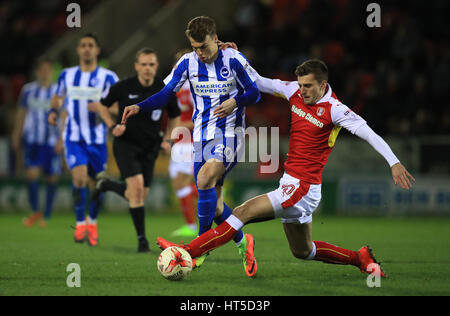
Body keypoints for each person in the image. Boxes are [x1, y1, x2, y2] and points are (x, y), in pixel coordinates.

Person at [157, 59, 416, 278]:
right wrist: (232, 56)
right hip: (293, 184)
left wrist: (393, 162)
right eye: (301, 85)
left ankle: (187, 252)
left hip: (302, 188)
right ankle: (360, 259)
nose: (302, 90)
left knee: (241, 212)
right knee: (303, 251)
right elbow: (257, 81)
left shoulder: (336, 110)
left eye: (308, 86)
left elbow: (369, 134)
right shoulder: (292, 90)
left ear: (323, 85)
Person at [121, 16, 261, 277]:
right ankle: (244, 242)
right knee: (217, 206)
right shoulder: (187, 62)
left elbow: (255, 93)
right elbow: (165, 94)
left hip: (230, 133)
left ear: (215, 39)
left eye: (204, 47)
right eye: (195, 47)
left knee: (204, 177)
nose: (200, 53)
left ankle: (197, 248)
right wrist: (139, 106)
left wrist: (236, 102)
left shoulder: (234, 60)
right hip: (201, 137)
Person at [89, 47, 181, 252]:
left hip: (151, 147)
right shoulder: (123, 87)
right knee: (137, 189)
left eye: (151, 64)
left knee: (137, 195)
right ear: (136, 66)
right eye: (144, 64)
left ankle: (106, 184)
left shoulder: (164, 89)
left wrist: (169, 139)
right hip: (126, 145)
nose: (148, 68)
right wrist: (112, 126)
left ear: (156, 66)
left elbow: (175, 115)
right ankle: (142, 241)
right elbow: (102, 106)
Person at [48, 33, 119, 246]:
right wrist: (53, 110)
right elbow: (58, 96)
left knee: (97, 184)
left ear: (97, 50)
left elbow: (117, 106)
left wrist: (103, 108)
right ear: (78, 50)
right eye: (83, 45)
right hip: (74, 137)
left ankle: (92, 222)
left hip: (97, 140)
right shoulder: (66, 75)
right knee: (78, 179)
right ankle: (80, 223)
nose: (87, 49)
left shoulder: (109, 77)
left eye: (91, 45)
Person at [12, 58, 62, 227]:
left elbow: (64, 115)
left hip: (51, 141)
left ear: (51, 72)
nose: (45, 72)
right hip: (33, 140)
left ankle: (46, 215)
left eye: (48, 69)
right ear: (37, 72)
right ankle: (35, 212)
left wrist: (62, 139)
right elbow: (21, 113)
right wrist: (16, 134)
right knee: (32, 174)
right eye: (42, 69)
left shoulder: (58, 91)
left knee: (52, 177)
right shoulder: (28, 90)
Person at [168, 49, 198, 238]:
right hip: (179, 141)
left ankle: (191, 225)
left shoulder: (196, 85)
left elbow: (202, 116)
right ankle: (191, 224)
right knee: (177, 183)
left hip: (191, 141)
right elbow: (174, 117)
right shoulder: (176, 87)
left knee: (181, 183)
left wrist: (182, 125)